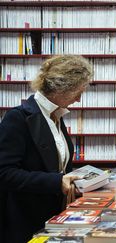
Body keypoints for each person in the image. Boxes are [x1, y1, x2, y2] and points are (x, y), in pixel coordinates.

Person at [0, 55, 93, 243]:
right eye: (77, 91)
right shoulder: (18, 118)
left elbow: (57, 165)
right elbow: (4, 173)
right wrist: (57, 182)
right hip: (27, 221)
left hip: (55, 217)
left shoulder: (56, 115)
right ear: (61, 88)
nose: (78, 99)